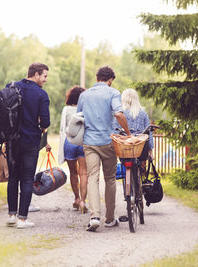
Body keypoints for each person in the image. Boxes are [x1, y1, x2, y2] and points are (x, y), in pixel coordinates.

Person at [77, 66, 131, 232]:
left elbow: (78, 117)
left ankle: (94, 216)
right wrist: (128, 134)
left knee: (93, 177)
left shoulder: (84, 95)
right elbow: (119, 114)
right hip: (108, 142)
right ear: (110, 80)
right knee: (110, 178)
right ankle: (109, 218)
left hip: (90, 142)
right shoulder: (112, 92)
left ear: (97, 77)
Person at [6, 62, 51, 229]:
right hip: (31, 141)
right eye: (44, 76)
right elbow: (45, 122)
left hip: (12, 140)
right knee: (26, 179)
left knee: (13, 177)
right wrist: (41, 124)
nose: (45, 80)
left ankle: (11, 215)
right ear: (36, 74)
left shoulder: (11, 87)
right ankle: (22, 219)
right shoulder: (41, 94)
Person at [58, 86, 88, 213]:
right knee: (83, 172)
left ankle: (76, 198)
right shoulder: (86, 109)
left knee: (73, 173)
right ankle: (83, 201)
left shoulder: (66, 109)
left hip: (69, 142)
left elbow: (62, 128)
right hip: (82, 142)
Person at [113, 88, 154, 165]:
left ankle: (127, 175)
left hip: (124, 146)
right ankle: (141, 171)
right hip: (140, 146)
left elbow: (114, 130)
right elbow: (149, 132)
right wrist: (150, 149)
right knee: (142, 163)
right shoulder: (143, 114)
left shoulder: (120, 114)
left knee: (124, 163)